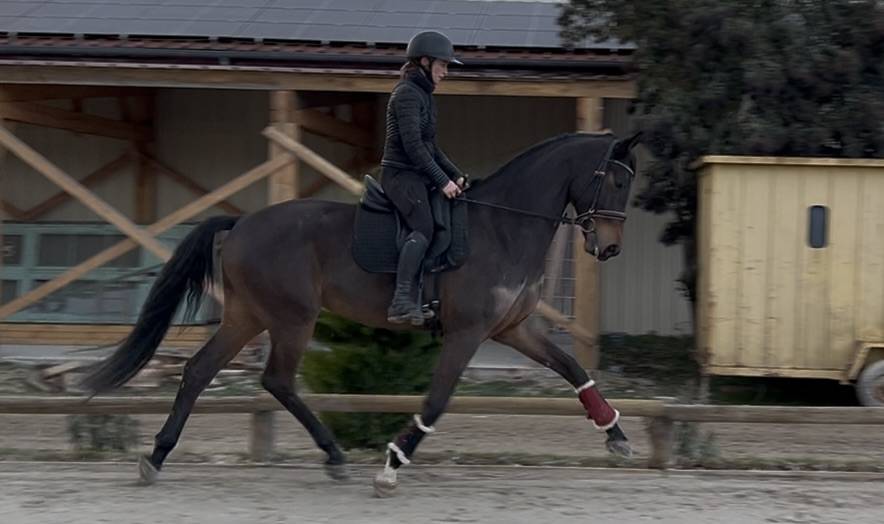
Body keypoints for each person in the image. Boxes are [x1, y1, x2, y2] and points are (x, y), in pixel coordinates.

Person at [380, 30, 466, 325]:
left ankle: (424, 294)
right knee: (424, 227)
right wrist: (442, 181)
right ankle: (401, 300)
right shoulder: (406, 94)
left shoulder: (425, 96)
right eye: (442, 65)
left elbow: (430, 146)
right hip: (399, 175)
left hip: (416, 175)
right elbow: (413, 147)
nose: (446, 72)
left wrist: (455, 174)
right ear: (425, 62)